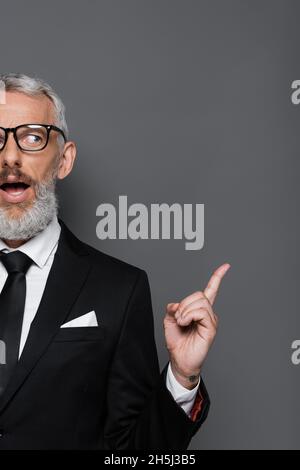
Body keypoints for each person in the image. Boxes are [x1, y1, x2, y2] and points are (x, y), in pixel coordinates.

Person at [0, 73, 230, 450]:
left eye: (31, 137)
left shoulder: (119, 290)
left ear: (64, 159)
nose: (10, 157)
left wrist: (182, 377)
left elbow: (135, 452)